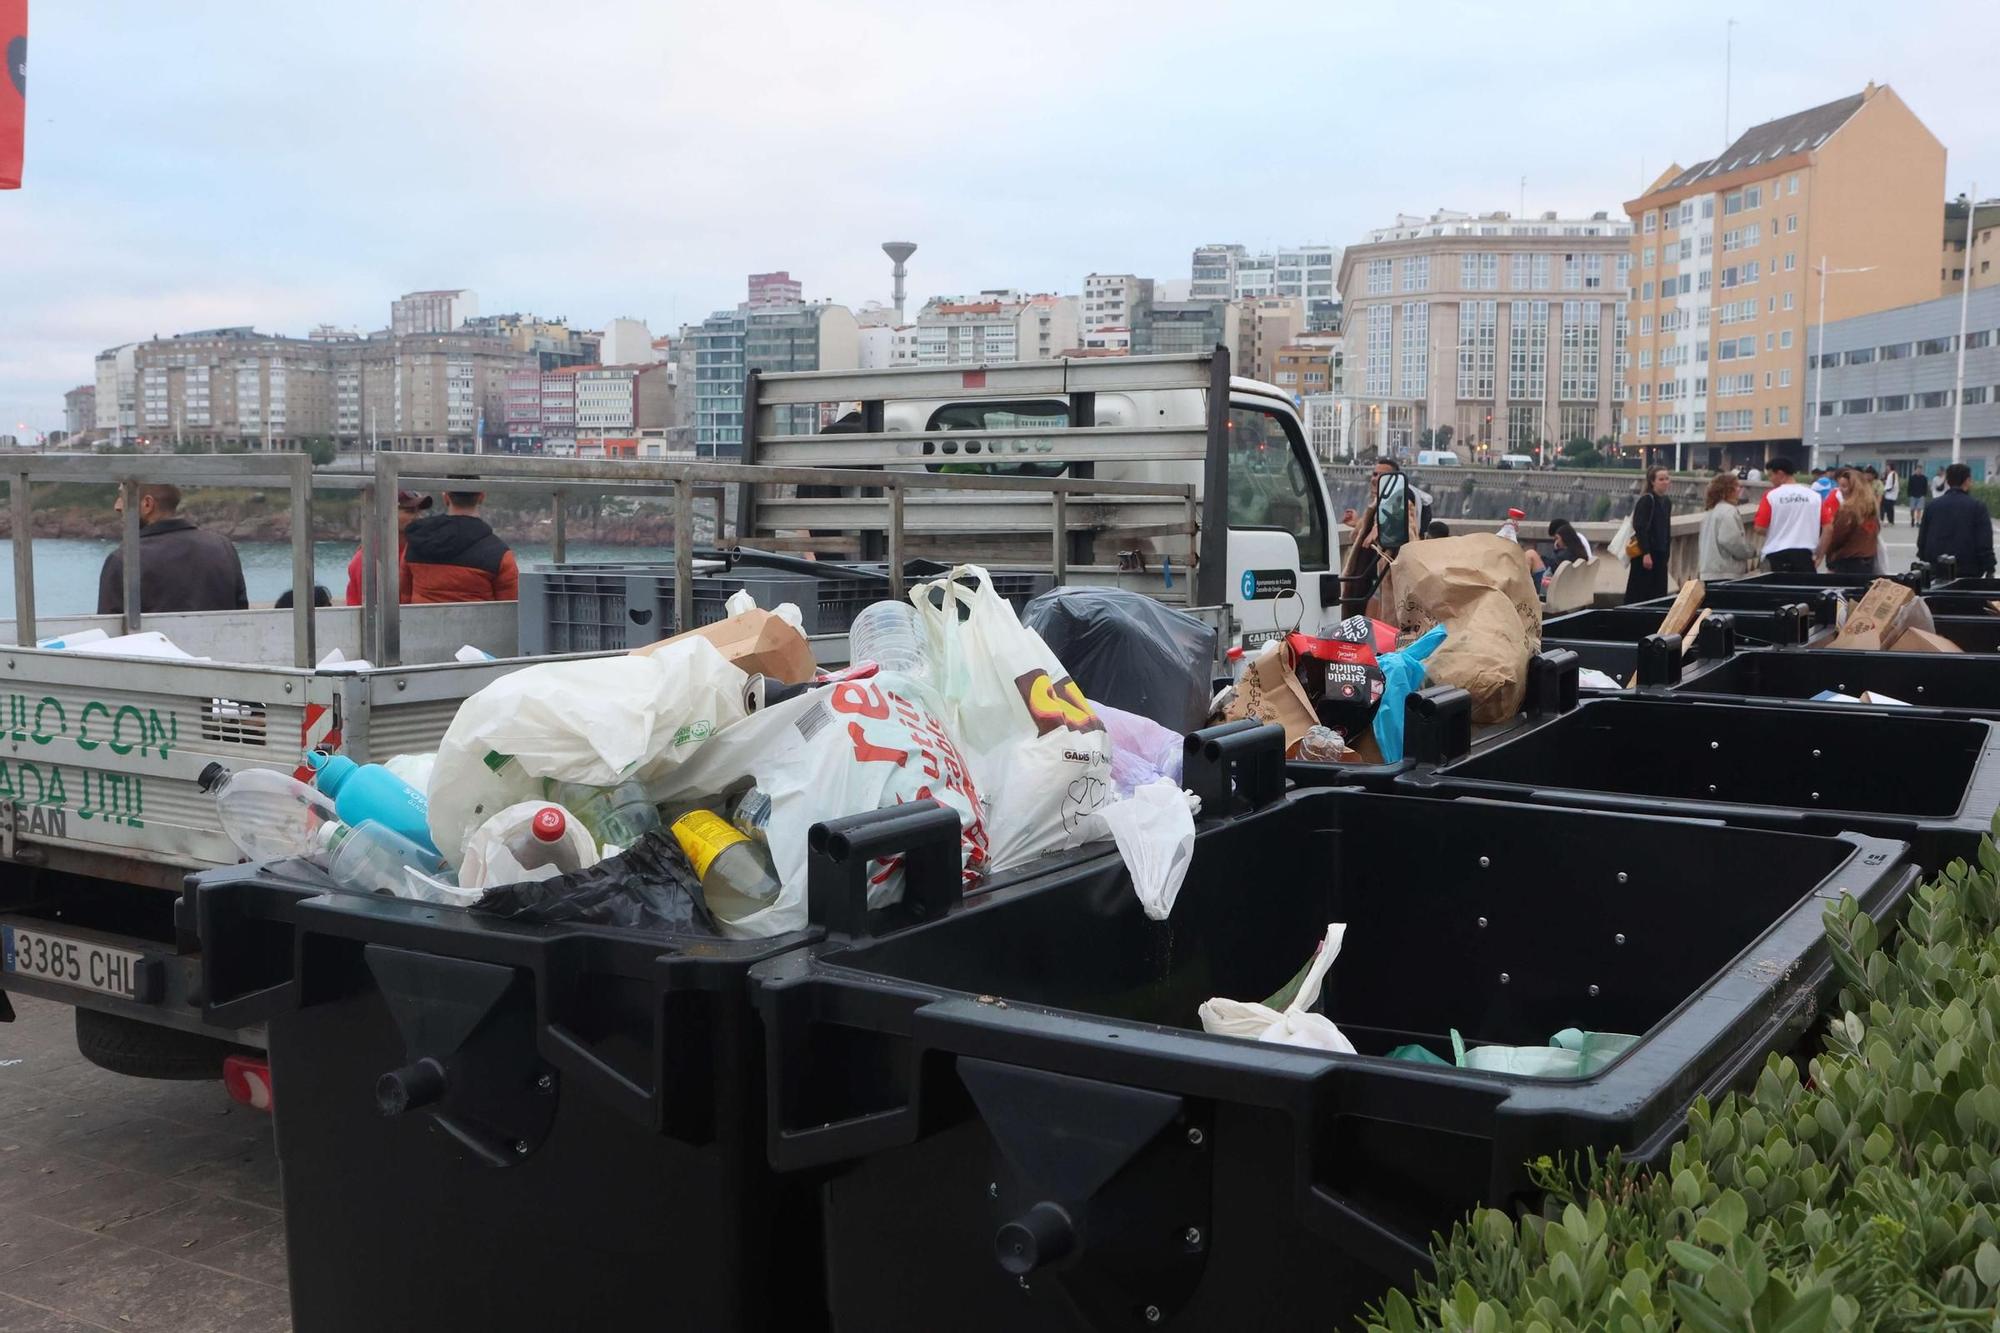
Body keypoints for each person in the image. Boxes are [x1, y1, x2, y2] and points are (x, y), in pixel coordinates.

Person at [96, 484, 249, 616]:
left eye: (122, 497)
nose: (117, 506)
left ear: (147, 504)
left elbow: (109, 632)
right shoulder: (223, 547)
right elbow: (241, 616)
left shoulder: (125, 560)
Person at [403, 489, 520, 603]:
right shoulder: (500, 554)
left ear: (446, 497)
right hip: (479, 622)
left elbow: (403, 596)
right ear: (481, 497)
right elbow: (512, 609)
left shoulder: (416, 542)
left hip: (422, 621)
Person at [344, 490, 431, 606]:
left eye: (419, 512)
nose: (417, 517)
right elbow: (370, 610)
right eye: (409, 511)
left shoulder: (417, 550)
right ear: (387, 514)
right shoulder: (370, 558)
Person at [1917, 462, 1997, 576]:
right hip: (1969, 572)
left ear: (1948, 482)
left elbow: (1922, 541)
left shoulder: (1932, 506)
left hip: (1936, 570)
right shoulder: (1977, 507)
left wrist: (1926, 560)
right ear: (1967, 481)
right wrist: (1990, 568)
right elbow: (1984, 543)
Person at [1754, 457, 1823, 574]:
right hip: (1805, 555)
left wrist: (1779, 530)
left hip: (1776, 554)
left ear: (1780, 474)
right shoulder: (1814, 496)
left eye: (1771, 475)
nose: (1770, 480)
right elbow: (1828, 527)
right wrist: (1820, 554)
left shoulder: (1771, 496)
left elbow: (1759, 528)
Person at [1815, 469, 1880, 574]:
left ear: (1855, 488)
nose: (1840, 490)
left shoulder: (1848, 510)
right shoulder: (1871, 509)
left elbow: (1837, 537)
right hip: (1868, 560)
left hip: (1847, 561)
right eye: (1839, 485)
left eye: (1844, 486)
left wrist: (1827, 554)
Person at [1624, 467, 1672, 603]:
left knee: (1659, 593)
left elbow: (1666, 529)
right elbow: (1640, 528)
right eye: (1661, 479)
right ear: (1652, 482)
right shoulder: (1647, 500)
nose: (1665, 482)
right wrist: (1646, 553)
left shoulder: (1666, 502)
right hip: (1646, 554)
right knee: (1640, 592)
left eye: (1667, 479)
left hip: (1660, 554)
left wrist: (1667, 552)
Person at [1699, 472, 1756, 581]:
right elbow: (1731, 541)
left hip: (1708, 571)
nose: (1739, 489)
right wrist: (1750, 552)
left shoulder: (1710, 512)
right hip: (1726, 572)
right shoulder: (1728, 511)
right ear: (1728, 490)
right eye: (1736, 486)